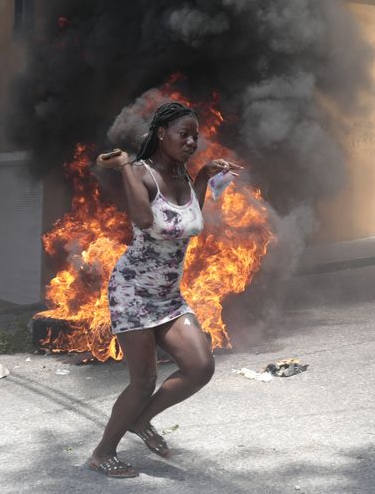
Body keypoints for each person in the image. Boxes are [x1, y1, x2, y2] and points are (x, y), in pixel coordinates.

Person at [89, 102, 242, 478]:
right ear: (161, 133)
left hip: (169, 296)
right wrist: (125, 164)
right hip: (133, 291)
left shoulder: (184, 176)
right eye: (183, 134)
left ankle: (141, 421)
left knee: (200, 366)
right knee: (143, 382)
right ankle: (102, 452)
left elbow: (192, 218)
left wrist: (204, 174)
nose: (192, 141)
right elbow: (144, 219)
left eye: (195, 136)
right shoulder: (141, 173)